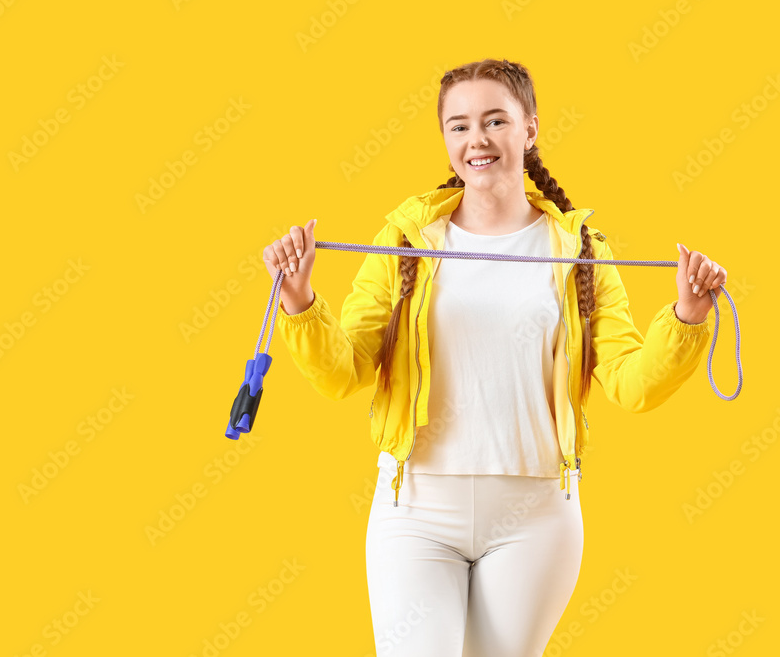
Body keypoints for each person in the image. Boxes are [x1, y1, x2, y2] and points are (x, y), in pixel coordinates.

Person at [262, 58, 727, 657]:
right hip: (416, 511)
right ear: (446, 140)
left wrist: (687, 315)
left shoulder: (581, 251)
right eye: (458, 126)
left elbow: (631, 384)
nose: (475, 139)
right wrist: (299, 299)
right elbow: (344, 372)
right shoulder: (405, 241)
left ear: (529, 129)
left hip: (535, 517)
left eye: (494, 120)